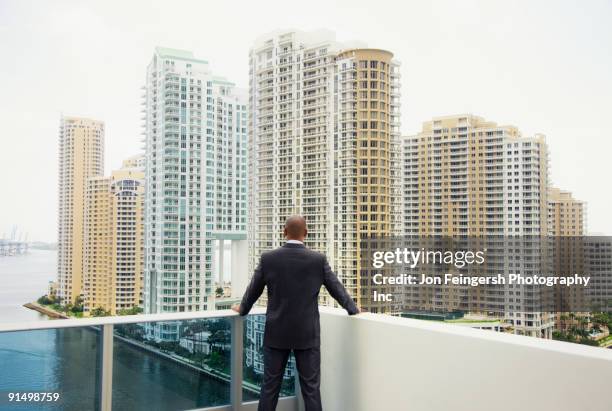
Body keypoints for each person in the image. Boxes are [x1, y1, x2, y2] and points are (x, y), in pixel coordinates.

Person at [232, 215, 361, 411]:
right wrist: (353, 309)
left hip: (276, 333)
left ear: (284, 232)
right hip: (306, 334)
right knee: (311, 390)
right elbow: (336, 288)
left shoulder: (269, 258)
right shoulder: (318, 260)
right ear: (306, 234)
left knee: (269, 388)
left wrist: (242, 309)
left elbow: (253, 290)